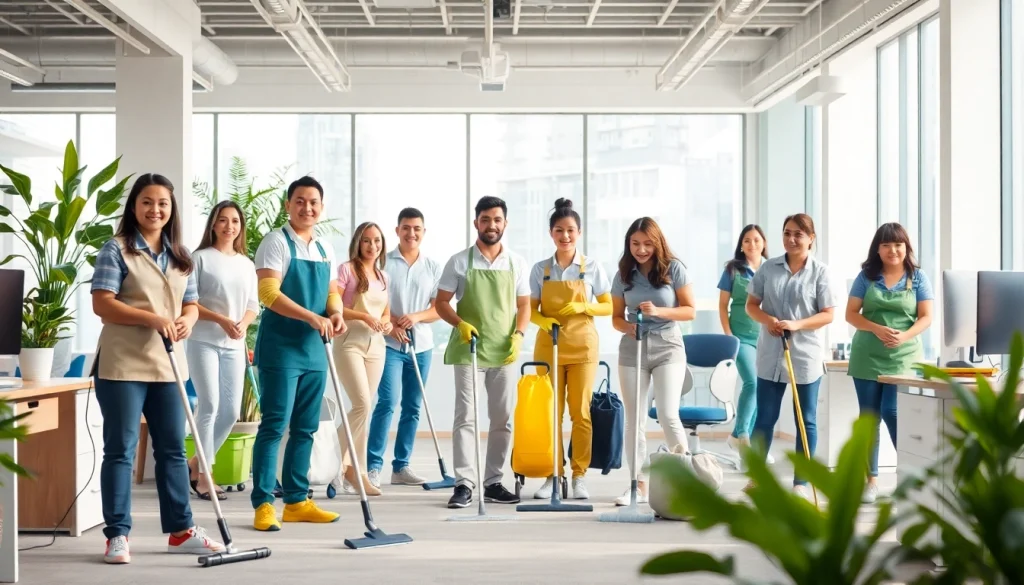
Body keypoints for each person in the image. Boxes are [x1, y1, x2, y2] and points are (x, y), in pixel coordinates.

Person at [91, 173, 225, 564]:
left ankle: (181, 531)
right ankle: (117, 535)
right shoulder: (115, 250)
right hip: (122, 365)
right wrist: (152, 318)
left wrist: (188, 318)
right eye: (147, 202)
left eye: (163, 203)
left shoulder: (181, 255)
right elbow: (103, 304)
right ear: (134, 206)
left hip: (168, 367)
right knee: (121, 449)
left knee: (171, 449)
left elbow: (193, 302)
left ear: (172, 209)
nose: (155, 210)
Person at [250, 176, 346, 531]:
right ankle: (262, 503)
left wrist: (334, 312)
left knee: (306, 427)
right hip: (281, 349)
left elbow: (333, 291)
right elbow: (268, 293)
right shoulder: (276, 242)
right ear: (288, 204)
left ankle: (296, 501)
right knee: (275, 425)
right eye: (301, 201)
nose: (308, 208)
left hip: (315, 349)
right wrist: (311, 316)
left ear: (321, 207)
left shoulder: (324, 247)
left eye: (314, 202)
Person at [435, 196, 531, 509]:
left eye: (497, 220)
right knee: (467, 417)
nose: (492, 225)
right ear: (476, 222)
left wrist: (519, 335)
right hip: (469, 349)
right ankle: (464, 483)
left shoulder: (516, 262)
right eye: (486, 220)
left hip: (503, 351)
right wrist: (460, 323)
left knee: (502, 419)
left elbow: (524, 304)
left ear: (505, 223)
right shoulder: (459, 261)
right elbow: (441, 302)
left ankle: (492, 482)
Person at [746, 213, 839, 497]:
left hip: (805, 354)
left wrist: (797, 324)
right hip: (771, 353)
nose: (792, 239)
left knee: (805, 419)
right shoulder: (768, 268)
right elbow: (751, 305)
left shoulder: (820, 272)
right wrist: (768, 320)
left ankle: (802, 481)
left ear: (811, 238)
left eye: (799, 234)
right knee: (765, 417)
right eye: (787, 233)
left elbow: (828, 314)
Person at [528, 198, 612, 501]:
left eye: (571, 231)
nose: (565, 236)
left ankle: (579, 475)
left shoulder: (593, 267)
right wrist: (544, 319)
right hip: (548, 347)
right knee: (550, 414)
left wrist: (583, 304)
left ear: (580, 232)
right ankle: (553, 474)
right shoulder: (541, 269)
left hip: (583, 347)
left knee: (580, 414)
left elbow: (609, 306)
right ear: (551, 233)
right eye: (559, 231)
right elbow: (529, 310)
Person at [610, 217, 696, 506]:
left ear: (658, 242)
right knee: (634, 420)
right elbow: (615, 318)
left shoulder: (674, 268)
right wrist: (628, 326)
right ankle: (638, 485)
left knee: (668, 414)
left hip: (668, 346)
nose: (641, 249)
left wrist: (658, 311)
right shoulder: (624, 273)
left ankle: (687, 482)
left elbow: (689, 311)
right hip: (632, 349)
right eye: (635, 244)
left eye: (647, 243)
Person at [846, 222, 933, 503]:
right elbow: (851, 314)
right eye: (886, 245)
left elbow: (926, 317)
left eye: (898, 244)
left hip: (903, 356)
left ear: (906, 247)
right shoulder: (866, 276)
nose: (893, 250)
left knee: (892, 411)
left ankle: (910, 472)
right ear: (878, 249)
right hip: (867, 354)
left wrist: (904, 336)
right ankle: (870, 481)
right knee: (869, 418)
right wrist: (876, 328)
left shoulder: (918, 278)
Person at [186, 201, 259, 501]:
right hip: (203, 341)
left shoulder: (246, 263)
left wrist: (241, 324)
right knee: (210, 405)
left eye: (235, 221)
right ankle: (205, 476)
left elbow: (253, 305)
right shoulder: (199, 258)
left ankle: (194, 462)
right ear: (213, 224)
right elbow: (188, 302)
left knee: (229, 412)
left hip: (234, 345)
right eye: (223, 220)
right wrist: (222, 320)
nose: (230, 226)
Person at [365, 208, 442, 488]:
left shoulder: (433, 267)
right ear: (397, 230)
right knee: (387, 403)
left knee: (412, 406)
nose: (412, 233)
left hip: (421, 347)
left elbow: (440, 309)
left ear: (423, 232)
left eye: (417, 228)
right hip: (388, 344)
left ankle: (401, 467)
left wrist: (416, 317)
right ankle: (373, 467)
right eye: (406, 228)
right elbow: (373, 301)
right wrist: (394, 323)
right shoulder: (382, 263)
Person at [332, 221, 391, 497]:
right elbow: (336, 307)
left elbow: (386, 313)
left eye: (377, 241)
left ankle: (358, 472)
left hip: (376, 347)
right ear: (358, 242)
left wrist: (387, 324)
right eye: (367, 240)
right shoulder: (346, 269)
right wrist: (364, 316)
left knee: (365, 410)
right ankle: (335, 462)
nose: (372, 246)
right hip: (349, 344)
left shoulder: (383, 276)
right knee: (361, 404)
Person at [717, 224, 774, 464]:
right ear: (742, 245)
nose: (752, 245)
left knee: (764, 388)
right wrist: (729, 335)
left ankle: (738, 436)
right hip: (741, 337)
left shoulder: (771, 270)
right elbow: (723, 306)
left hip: (766, 337)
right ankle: (743, 437)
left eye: (757, 240)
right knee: (752, 382)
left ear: (764, 244)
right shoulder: (732, 270)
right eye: (747, 240)